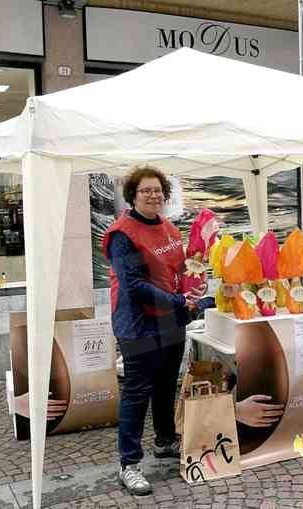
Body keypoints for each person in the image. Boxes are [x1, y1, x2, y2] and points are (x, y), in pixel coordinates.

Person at [103, 165, 204, 496]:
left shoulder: (170, 229)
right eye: (146, 190)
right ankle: (128, 464)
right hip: (138, 323)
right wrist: (179, 301)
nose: (153, 195)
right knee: (136, 392)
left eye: (158, 190)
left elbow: (181, 270)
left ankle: (164, 440)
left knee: (165, 384)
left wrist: (193, 290)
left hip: (169, 320)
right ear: (133, 195)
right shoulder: (122, 234)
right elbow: (134, 286)